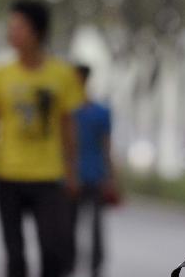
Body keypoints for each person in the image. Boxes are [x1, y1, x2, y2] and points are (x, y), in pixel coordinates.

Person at [0, 0, 83, 277]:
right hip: (9, 174)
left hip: (48, 177)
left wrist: (72, 173)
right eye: (10, 27)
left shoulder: (62, 75)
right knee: (15, 256)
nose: (11, 33)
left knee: (53, 251)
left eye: (19, 27)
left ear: (37, 31)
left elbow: (67, 127)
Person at [67, 64, 115, 277]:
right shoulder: (65, 112)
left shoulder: (100, 112)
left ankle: (95, 268)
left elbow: (106, 146)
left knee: (94, 227)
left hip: (93, 176)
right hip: (70, 177)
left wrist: (111, 178)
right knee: (68, 227)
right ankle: (69, 265)